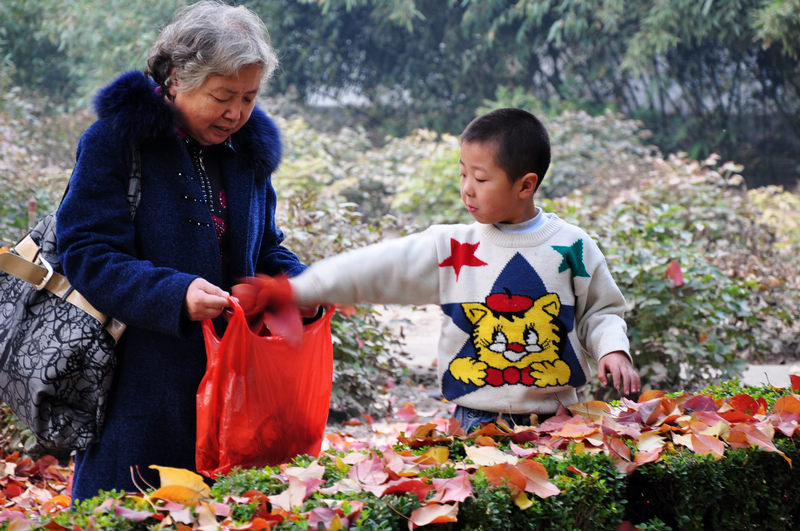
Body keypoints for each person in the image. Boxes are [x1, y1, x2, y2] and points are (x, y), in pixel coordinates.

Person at [56, 0, 311, 500]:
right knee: (128, 505)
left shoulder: (246, 154)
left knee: (224, 507)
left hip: (233, 388)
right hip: (139, 380)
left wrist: (301, 285)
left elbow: (266, 248)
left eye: (249, 97)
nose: (236, 113)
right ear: (175, 78)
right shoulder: (117, 141)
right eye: (222, 97)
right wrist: (174, 294)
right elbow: (86, 250)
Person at [287, 108, 640, 432]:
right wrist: (301, 289)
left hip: (559, 420)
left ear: (526, 185)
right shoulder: (452, 247)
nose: (467, 189)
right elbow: (379, 267)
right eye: (462, 174)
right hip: (474, 419)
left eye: (481, 179)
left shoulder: (572, 246)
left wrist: (612, 348)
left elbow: (601, 311)